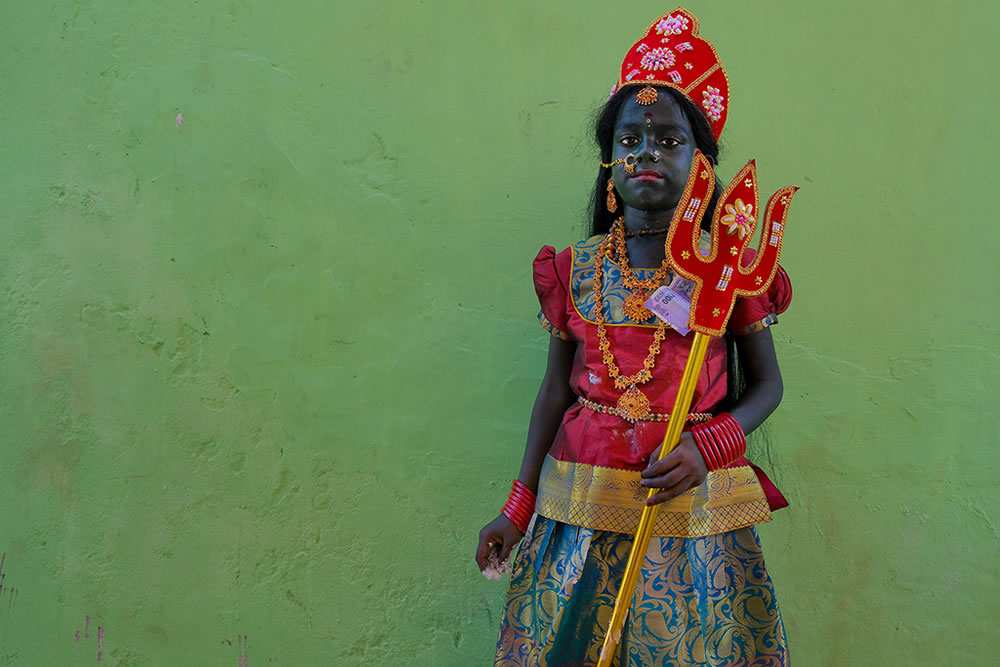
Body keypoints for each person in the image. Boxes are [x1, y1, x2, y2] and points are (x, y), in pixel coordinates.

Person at [475, 9, 792, 667]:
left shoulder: (725, 271)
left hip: (692, 517)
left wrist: (711, 444)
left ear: (702, 165)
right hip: (579, 510)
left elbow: (768, 384)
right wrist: (517, 504)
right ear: (608, 164)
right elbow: (554, 391)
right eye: (630, 140)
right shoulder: (574, 268)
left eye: (670, 140)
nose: (646, 152)